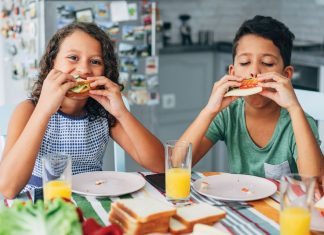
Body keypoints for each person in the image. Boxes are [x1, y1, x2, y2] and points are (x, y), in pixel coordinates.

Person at [0, 22, 164, 199]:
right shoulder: (29, 110)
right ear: (52, 63)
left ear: (105, 70)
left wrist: (122, 113)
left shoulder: (103, 113)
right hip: (41, 201)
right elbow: (8, 188)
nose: (84, 70)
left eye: (95, 61)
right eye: (73, 57)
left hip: (91, 200)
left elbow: (161, 165)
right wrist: (43, 111)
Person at [178, 15, 323, 179]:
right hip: (240, 202)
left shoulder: (297, 122)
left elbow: (315, 181)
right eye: (245, 62)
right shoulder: (228, 114)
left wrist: (294, 108)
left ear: (286, 75)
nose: (254, 71)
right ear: (232, 72)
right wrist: (209, 110)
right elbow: (177, 163)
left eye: (267, 63)